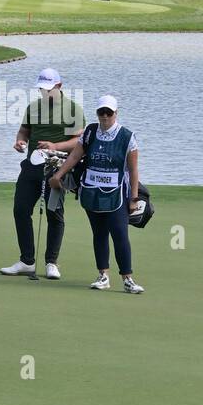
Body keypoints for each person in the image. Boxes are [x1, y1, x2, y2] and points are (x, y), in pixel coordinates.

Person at [48, 95, 144, 294]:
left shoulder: (127, 137)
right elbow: (75, 155)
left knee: (120, 235)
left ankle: (128, 279)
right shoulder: (90, 132)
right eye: (102, 112)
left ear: (116, 113)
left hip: (117, 194)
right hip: (91, 192)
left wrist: (134, 198)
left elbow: (134, 170)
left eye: (109, 113)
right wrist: (59, 174)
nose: (105, 116)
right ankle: (103, 276)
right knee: (99, 234)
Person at [0, 67, 83, 280]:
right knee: (20, 209)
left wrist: (56, 145)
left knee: (54, 214)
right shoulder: (33, 107)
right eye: (41, 89)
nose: (44, 93)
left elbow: (79, 142)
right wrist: (20, 141)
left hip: (57, 168)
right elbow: (24, 131)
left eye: (48, 89)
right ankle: (27, 261)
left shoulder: (73, 109)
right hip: (32, 165)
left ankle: (51, 263)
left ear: (59, 86)